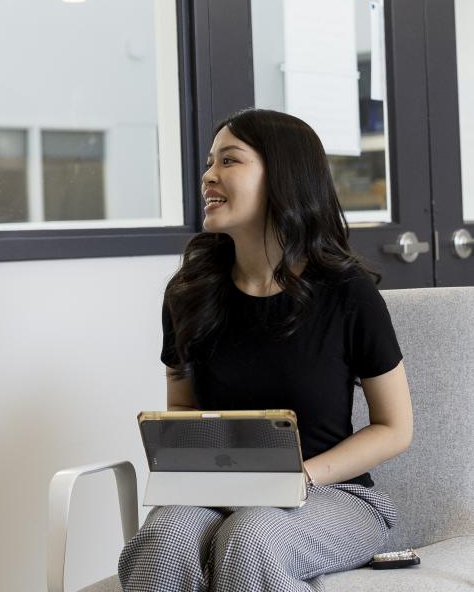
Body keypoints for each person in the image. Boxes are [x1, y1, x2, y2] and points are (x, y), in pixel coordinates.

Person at [117, 109, 414, 592]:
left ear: (284, 177)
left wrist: (299, 477)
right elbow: (186, 413)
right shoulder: (189, 293)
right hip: (221, 492)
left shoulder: (347, 292)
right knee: (166, 536)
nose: (209, 176)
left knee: (252, 534)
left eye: (229, 161)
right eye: (209, 163)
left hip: (332, 493)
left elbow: (395, 427)